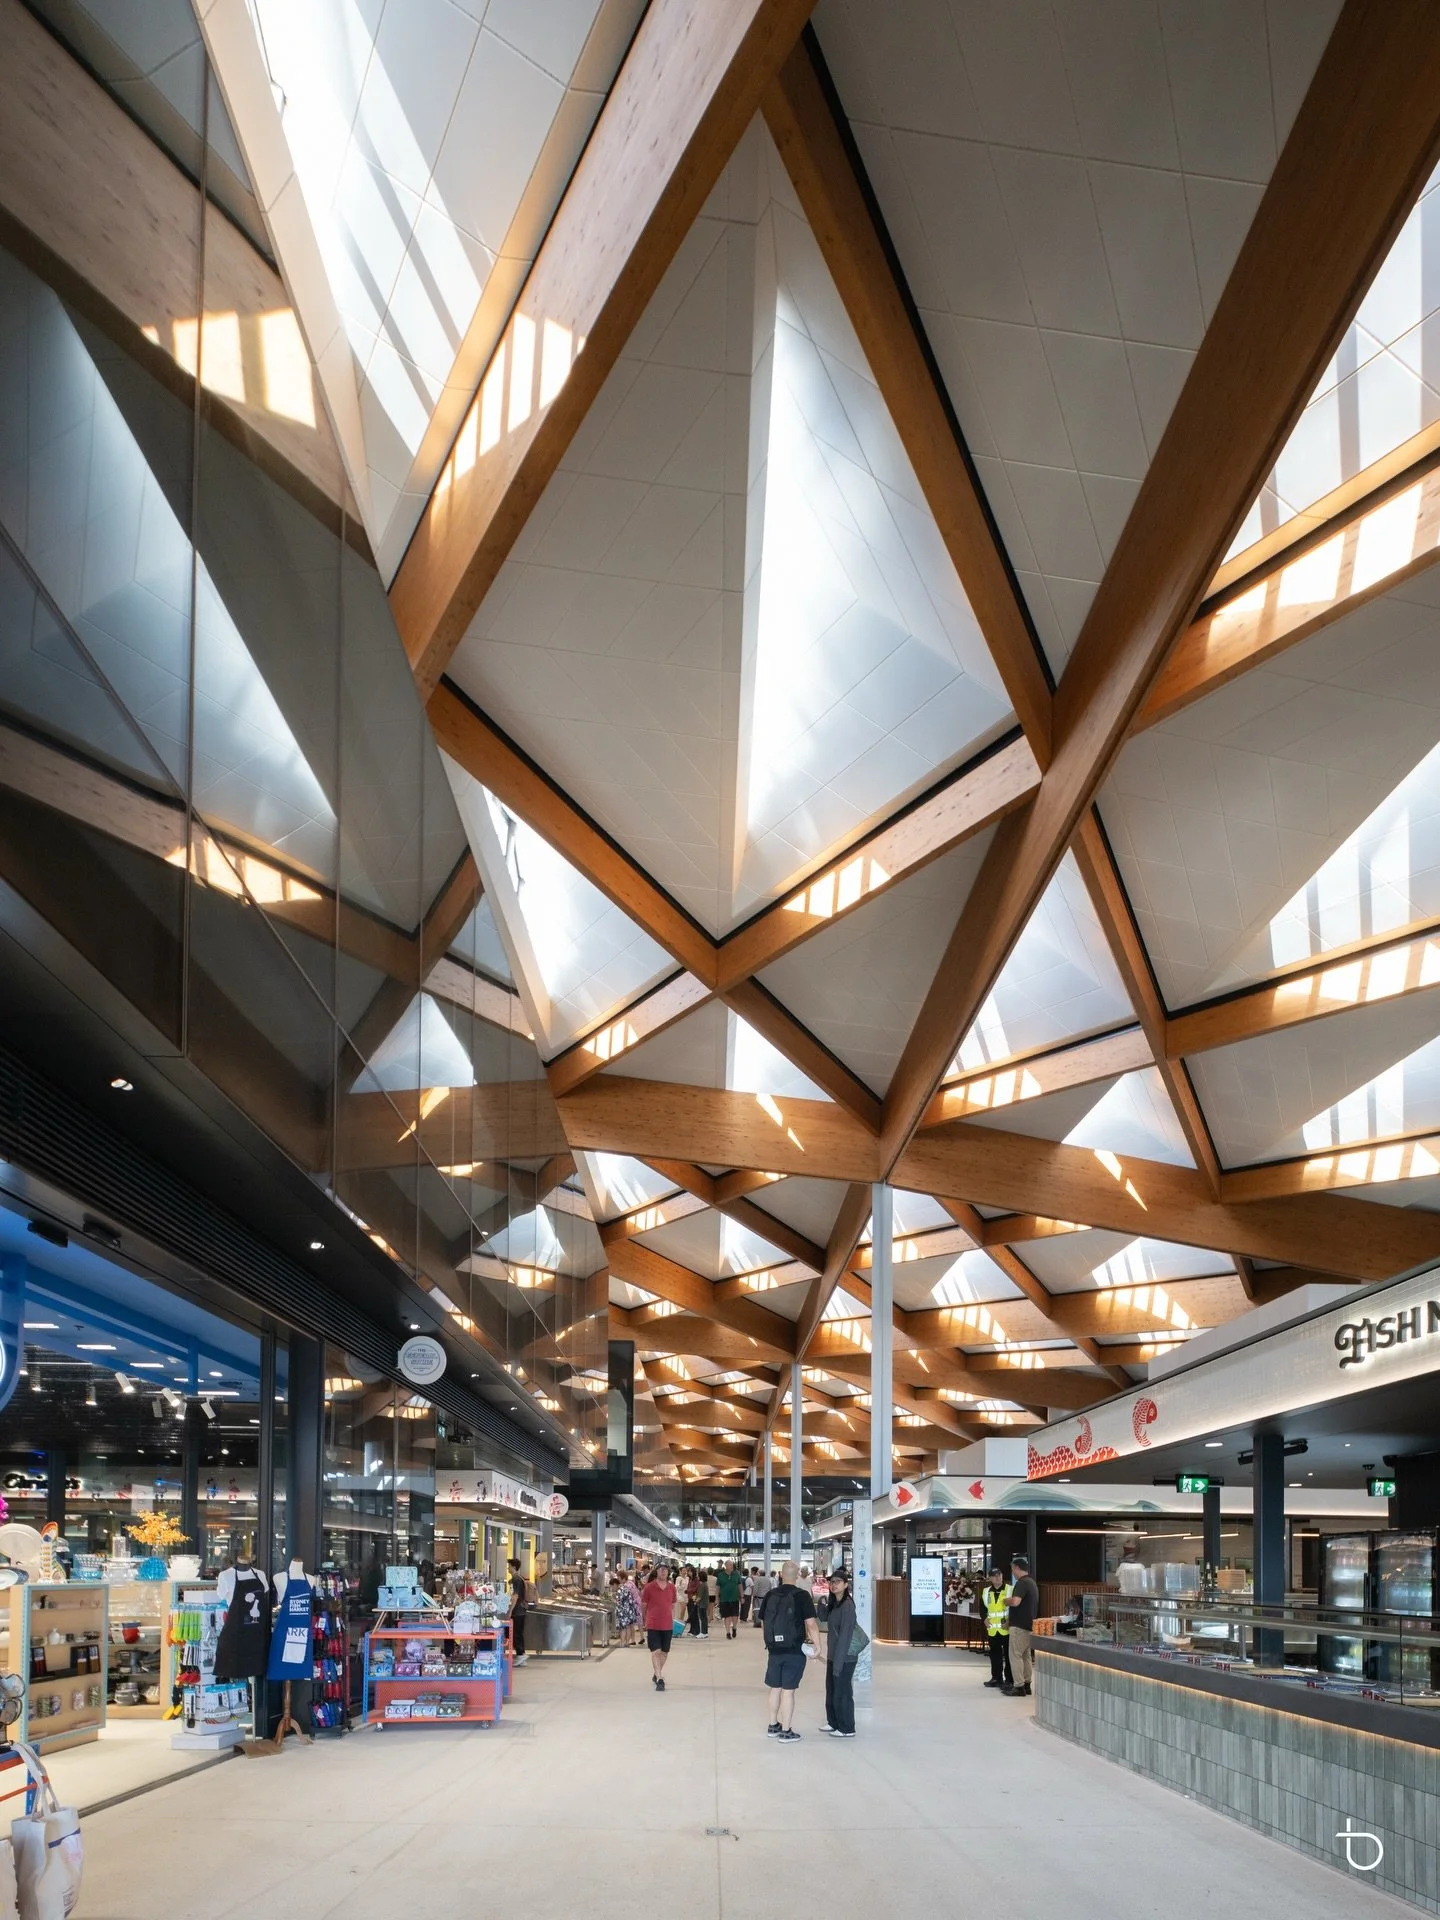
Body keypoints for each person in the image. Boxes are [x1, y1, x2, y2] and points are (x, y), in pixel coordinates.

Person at [759, 1559, 819, 1741]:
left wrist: (770, 1642)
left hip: (774, 1650)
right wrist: (818, 1647)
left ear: (781, 1574)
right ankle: (786, 1730)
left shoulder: (770, 1595)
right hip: (794, 1649)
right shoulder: (802, 1596)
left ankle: (772, 1725)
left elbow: (763, 1622)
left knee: (775, 1688)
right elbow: (811, 1625)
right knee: (788, 1691)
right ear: (798, 1575)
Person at [819, 1566, 866, 1737]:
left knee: (843, 1692)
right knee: (831, 1690)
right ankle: (833, 1722)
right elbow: (824, 1619)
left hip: (845, 1657)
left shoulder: (847, 1606)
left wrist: (838, 1662)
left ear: (846, 1585)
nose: (834, 1585)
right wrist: (822, 1605)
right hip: (834, 1655)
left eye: (838, 1582)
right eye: (832, 1582)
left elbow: (846, 1635)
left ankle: (847, 1728)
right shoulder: (835, 1604)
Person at [1004, 1554, 1039, 1698]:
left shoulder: (1022, 1583)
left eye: (1013, 1569)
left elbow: (1016, 1602)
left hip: (1019, 1627)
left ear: (1017, 1568)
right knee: (1026, 1656)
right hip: (1029, 1625)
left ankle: (1018, 1686)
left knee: (1015, 1655)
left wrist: (1007, 1600)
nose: (1012, 1572)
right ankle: (1027, 1684)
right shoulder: (1032, 1583)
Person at [641, 1566, 678, 1690]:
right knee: (655, 1651)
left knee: (665, 1652)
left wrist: (671, 1618)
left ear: (668, 1573)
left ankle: (656, 1673)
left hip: (667, 1624)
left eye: (665, 1570)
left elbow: (673, 1605)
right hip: (653, 1624)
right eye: (661, 1569)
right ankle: (660, 1678)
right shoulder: (649, 1587)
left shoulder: (672, 1587)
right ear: (656, 1572)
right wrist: (644, 1619)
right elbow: (644, 1605)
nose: (663, 1571)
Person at [982, 1566, 1013, 1689]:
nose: (997, 1577)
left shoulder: (1010, 1590)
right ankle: (996, 1678)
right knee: (994, 1655)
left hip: (1006, 1628)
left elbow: (1015, 1608)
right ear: (990, 1578)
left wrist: (1010, 1622)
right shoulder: (986, 1592)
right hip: (993, 1629)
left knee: (1009, 1655)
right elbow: (982, 1608)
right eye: (994, 1575)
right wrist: (984, 1619)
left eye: (999, 1574)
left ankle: (1009, 1680)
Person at [615, 1568, 642, 1647]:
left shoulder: (624, 1587)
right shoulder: (631, 1583)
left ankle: (624, 1642)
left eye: (619, 1578)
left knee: (625, 1627)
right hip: (632, 1607)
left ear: (623, 1578)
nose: (618, 1580)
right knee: (630, 1626)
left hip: (626, 1609)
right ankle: (628, 1641)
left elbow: (620, 1599)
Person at [716, 1560, 742, 1639]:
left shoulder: (736, 1574)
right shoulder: (720, 1575)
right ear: (726, 1566)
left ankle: (734, 1628)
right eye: (730, 1565)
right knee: (727, 1616)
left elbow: (740, 1585)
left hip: (734, 1599)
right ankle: (728, 1632)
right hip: (724, 1599)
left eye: (732, 1565)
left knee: (735, 1616)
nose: (731, 1566)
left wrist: (742, 1596)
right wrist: (717, 1597)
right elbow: (717, 1587)